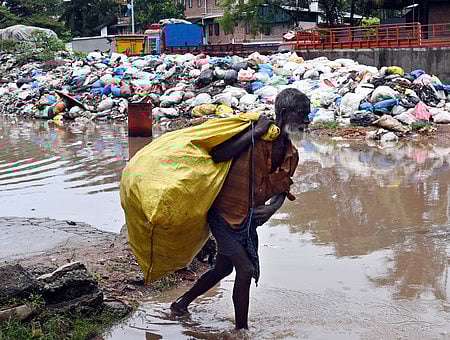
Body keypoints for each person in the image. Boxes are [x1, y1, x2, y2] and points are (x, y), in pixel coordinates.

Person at [170, 88, 311, 329]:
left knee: (224, 268)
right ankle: (241, 331)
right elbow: (219, 154)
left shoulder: (291, 154)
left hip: (247, 221)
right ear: (285, 113)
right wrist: (255, 132)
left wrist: (272, 208)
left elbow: (282, 189)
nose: (306, 122)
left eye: (308, 116)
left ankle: (180, 304)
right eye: (302, 115)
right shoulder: (252, 133)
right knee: (244, 270)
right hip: (222, 213)